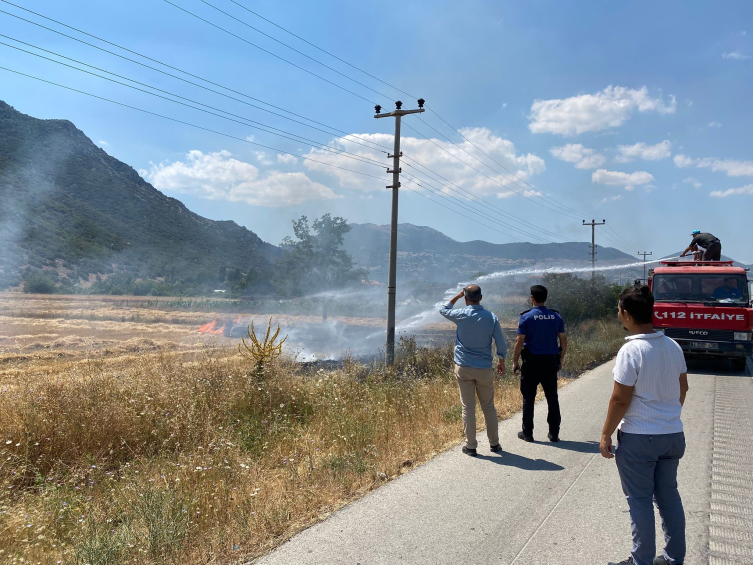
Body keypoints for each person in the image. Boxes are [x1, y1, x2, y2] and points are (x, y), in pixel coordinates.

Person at [602, 286, 689, 565]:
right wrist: (667, 417)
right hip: (672, 434)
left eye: (619, 310)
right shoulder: (672, 346)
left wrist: (605, 434)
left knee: (639, 501)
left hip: (640, 438)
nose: (619, 314)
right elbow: (682, 388)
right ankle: (674, 558)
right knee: (668, 497)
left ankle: (642, 560)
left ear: (626, 314)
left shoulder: (631, 350)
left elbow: (620, 399)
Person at [440, 284, 507, 456]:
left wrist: (457, 295)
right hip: (484, 368)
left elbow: (443, 309)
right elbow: (500, 342)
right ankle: (495, 444)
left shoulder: (461, 314)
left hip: (463, 367)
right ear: (481, 298)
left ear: (466, 298)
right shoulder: (491, 317)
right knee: (488, 407)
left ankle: (471, 446)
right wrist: (501, 360)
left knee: (468, 408)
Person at [512, 285, 567, 443]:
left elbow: (519, 341)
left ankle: (527, 433)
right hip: (550, 362)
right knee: (552, 398)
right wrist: (561, 359)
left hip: (531, 363)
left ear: (532, 298)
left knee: (528, 398)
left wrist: (515, 361)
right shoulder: (556, 316)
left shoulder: (526, 317)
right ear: (545, 298)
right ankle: (554, 433)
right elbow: (563, 339)